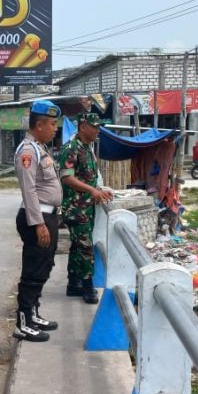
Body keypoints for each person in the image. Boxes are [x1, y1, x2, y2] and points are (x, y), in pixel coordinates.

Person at [13, 100, 63, 342]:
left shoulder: (39, 148)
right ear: (39, 124)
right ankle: (22, 324)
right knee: (33, 270)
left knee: (44, 266)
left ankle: (32, 314)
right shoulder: (27, 151)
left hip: (47, 215)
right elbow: (29, 189)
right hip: (37, 218)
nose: (55, 128)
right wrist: (39, 224)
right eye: (52, 124)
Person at [57, 112, 113, 303]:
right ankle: (88, 288)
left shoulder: (87, 148)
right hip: (75, 208)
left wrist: (99, 190)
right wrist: (92, 191)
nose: (98, 130)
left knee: (77, 246)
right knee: (85, 247)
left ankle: (74, 284)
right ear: (82, 127)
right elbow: (67, 177)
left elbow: (87, 177)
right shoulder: (71, 148)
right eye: (94, 126)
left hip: (86, 207)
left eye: (98, 126)